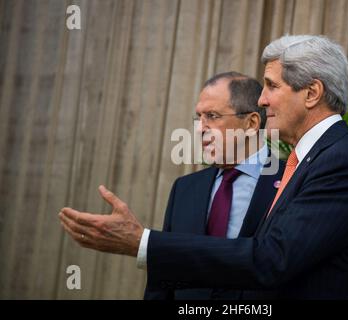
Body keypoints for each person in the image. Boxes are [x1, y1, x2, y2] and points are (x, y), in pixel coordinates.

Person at [60, 35, 348, 299]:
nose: (262, 99)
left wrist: (143, 242)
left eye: (272, 86)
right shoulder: (309, 159)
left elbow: (270, 260)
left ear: (312, 93)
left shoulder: (342, 163)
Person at [60, 71, 285, 300]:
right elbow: (163, 280)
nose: (200, 128)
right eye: (198, 117)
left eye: (212, 116)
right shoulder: (185, 189)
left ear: (251, 123)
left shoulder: (292, 179)